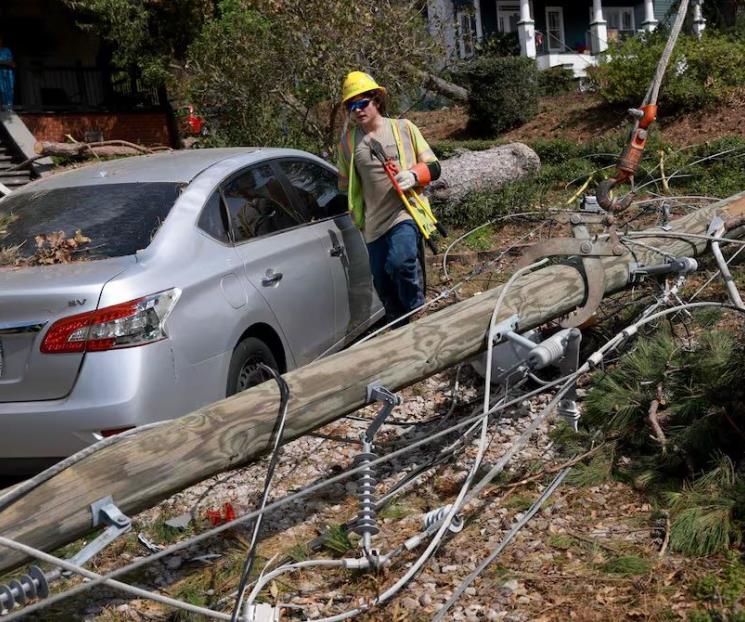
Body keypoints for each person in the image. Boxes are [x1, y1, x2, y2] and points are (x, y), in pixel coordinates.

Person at [337, 71, 441, 325]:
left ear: (377, 101)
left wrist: (415, 176)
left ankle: (417, 309)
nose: (358, 110)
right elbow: (344, 184)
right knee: (381, 281)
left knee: (400, 262)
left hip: (405, 213)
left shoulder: (403, 128)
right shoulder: (349, 143)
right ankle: (398, 321)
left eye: (363, 103)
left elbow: (435, 166)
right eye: (352, 106)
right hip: (372, 223)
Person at [0, 36, 15, 112]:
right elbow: (8, 62)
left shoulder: (7, 50)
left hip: (7, 75)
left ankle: (7, 108)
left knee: (7, 91)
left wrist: (3, 62)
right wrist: (5, 62)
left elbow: (12, 63)